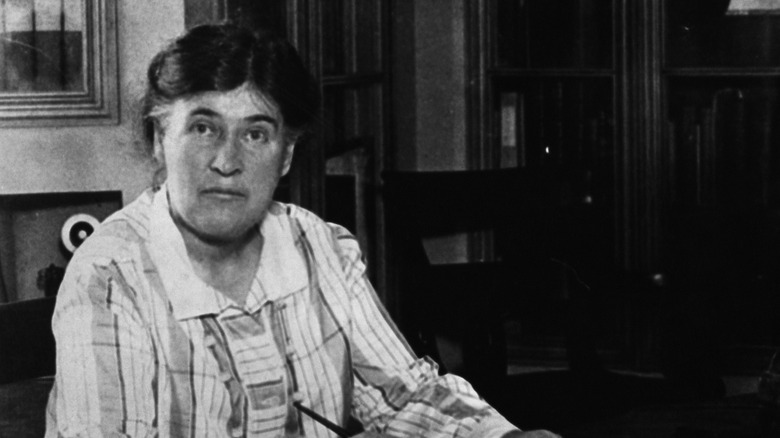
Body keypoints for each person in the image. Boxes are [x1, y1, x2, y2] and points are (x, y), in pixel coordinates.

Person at [45, 22, 560, 438]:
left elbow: (404, 398)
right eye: (203, 128)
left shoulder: (316, 246)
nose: (228, 161)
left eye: (256, 133)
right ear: (161, 140)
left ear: (286, 154)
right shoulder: (110, 278)